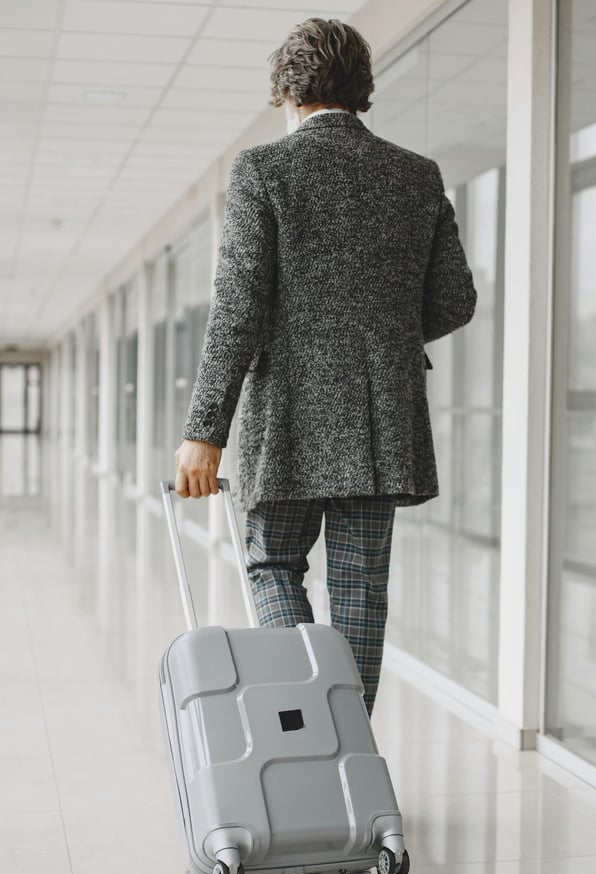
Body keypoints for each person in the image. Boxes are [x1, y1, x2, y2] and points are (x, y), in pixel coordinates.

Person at [174, 17, 476, 715]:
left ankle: (313, 723)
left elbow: (238, 308)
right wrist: (383, 337)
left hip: (287, 418)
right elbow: (455, 299)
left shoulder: (262, 169)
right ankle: (352, 759)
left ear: (287, 89)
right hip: (382, 419)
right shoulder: (416, 175)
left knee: (272, 563)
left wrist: (205, 428)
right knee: (362, 588)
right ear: (361, 89)